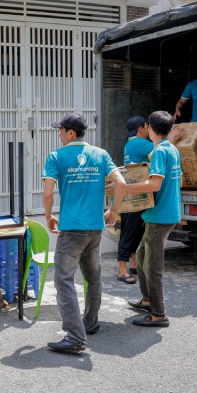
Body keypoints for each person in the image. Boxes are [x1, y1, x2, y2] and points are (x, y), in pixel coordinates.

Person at [42, 113, 126, 355]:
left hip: (71, 230)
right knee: (93, 276)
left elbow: (48, 193)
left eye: (61, 130)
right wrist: (113, 211)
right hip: (94, 228)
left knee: (63, 280)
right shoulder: (101, 154)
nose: (59, 134)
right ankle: (90, 322)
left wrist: (48, 216)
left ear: (70, 133)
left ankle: (75, 337)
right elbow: (121, 184)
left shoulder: (57, 157)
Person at [122, 111, 182, 328]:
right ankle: (148, 300)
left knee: (153, 266)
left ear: (149, 127)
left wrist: (126, 188)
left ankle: (158, 314)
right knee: (141, 254)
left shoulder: (159, 152)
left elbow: (154, 184)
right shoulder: (172, 149)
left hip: (160, 217)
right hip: (164, 213)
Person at [116, 116, 154, 285]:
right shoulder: (139, 143)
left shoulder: (129, 144)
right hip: (134, 195)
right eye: (148, 127)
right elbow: (162, 147)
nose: (149, 130)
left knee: (137, 230)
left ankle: (133, 264)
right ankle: (121, 270)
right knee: (129, 232)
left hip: (135, 195)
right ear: (141, 128)